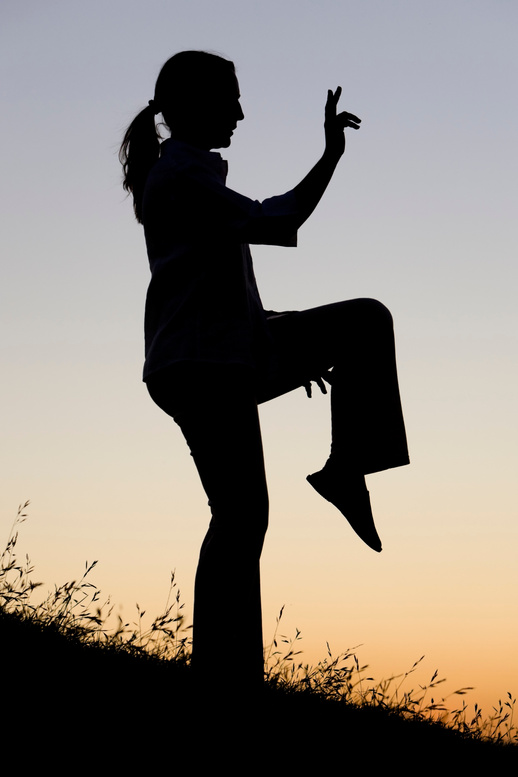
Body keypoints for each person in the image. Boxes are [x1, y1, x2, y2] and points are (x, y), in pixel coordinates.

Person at [119, 50, 409, 690]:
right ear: (194, 104)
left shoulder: (189, 178)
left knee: (364, 321)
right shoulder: (180, 180)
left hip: (229, 350)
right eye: (232, 99)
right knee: (241, 516)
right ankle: (225, 673)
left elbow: (207, 285)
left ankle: (346, 468)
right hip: (201, 365)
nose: (242, 112)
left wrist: (279, 340)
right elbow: (278, 219)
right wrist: (331, 155)